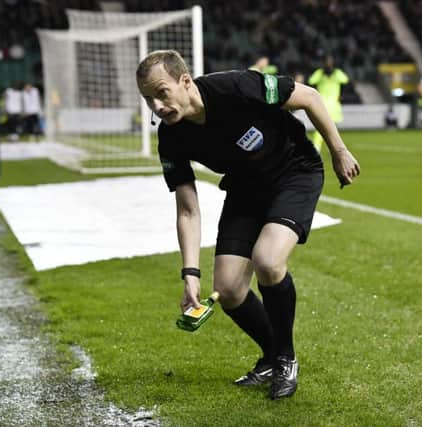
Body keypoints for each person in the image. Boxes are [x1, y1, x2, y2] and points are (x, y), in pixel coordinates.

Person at [136, 50, 359, 400]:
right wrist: (190, 273)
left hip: (294, 173)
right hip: (245, 187)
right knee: (227, 288)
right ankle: (272, 354)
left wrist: (338, 150)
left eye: (161, 93)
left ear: (185, 81)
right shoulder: (171, 136)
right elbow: (187, 210)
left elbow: (309, 97)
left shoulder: (238, 86)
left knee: (268, 260)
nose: (157, 105)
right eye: (148, 98)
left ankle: (286, 358)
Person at [307, 55, 349, 152]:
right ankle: (319, 149)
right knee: (324, 127)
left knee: (329, 128)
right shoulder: (323, 73)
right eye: (327, 61)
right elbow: (347, 82)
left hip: (332, 105)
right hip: (324, 105)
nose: (328, 64)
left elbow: (310, 82)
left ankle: (333, 149)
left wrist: (341, 96)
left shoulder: (327, 73)